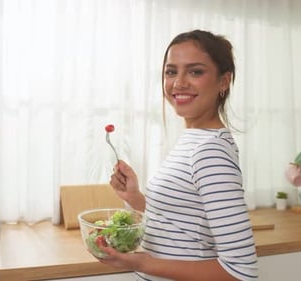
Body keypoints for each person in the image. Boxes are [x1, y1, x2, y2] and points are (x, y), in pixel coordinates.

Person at [103, 29, 258, 281]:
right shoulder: (193, 138)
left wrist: (145, 263)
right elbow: (181, 227)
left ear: (223, 81)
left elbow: (240, 271)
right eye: (171, 71)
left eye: (196, 71)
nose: (179, 82)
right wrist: (135, 197)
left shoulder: (211, 151)